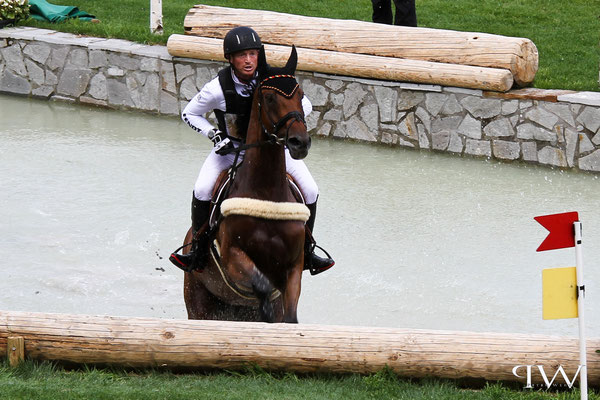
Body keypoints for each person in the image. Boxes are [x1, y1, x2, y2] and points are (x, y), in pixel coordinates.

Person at [170, 26, 334, 276]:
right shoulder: (217, 88)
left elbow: (305, 105)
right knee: (202, 189)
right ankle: (198, 250)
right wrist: (214, 135)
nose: (248, 61)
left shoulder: (270, 78)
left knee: (311, 190)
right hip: (230, 152)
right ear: (230, 59)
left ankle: (308, 251)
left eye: (252, 54)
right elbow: (189, 113)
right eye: (241, 55)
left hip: (272, 153)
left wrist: (285, 127)